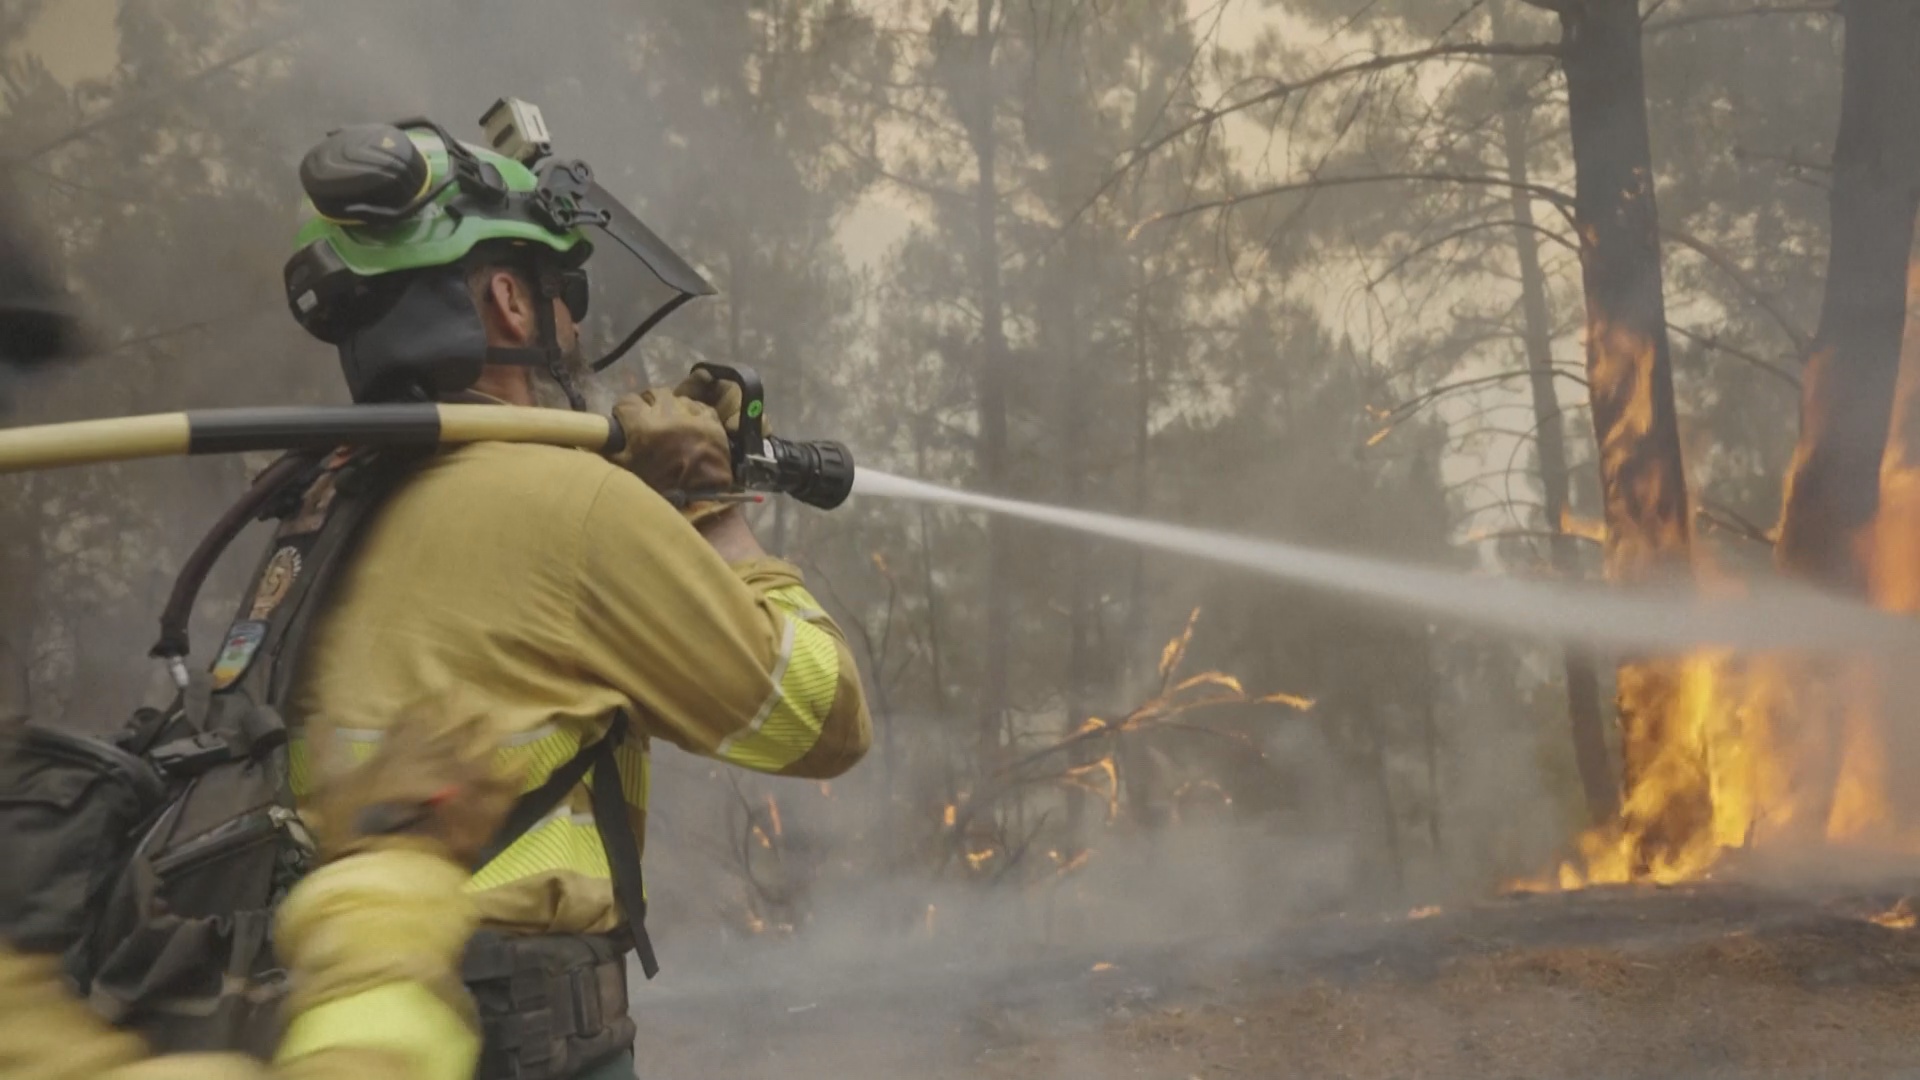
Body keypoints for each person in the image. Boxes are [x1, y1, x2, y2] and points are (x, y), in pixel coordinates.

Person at [275, 116, 872, 1080]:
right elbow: (820, 718)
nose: (579, 328)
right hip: (518, 1032)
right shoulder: (571, 504)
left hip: (357, 1017)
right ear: (510, 301)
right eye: (567, 293)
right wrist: (713, 512)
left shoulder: (313, 508)